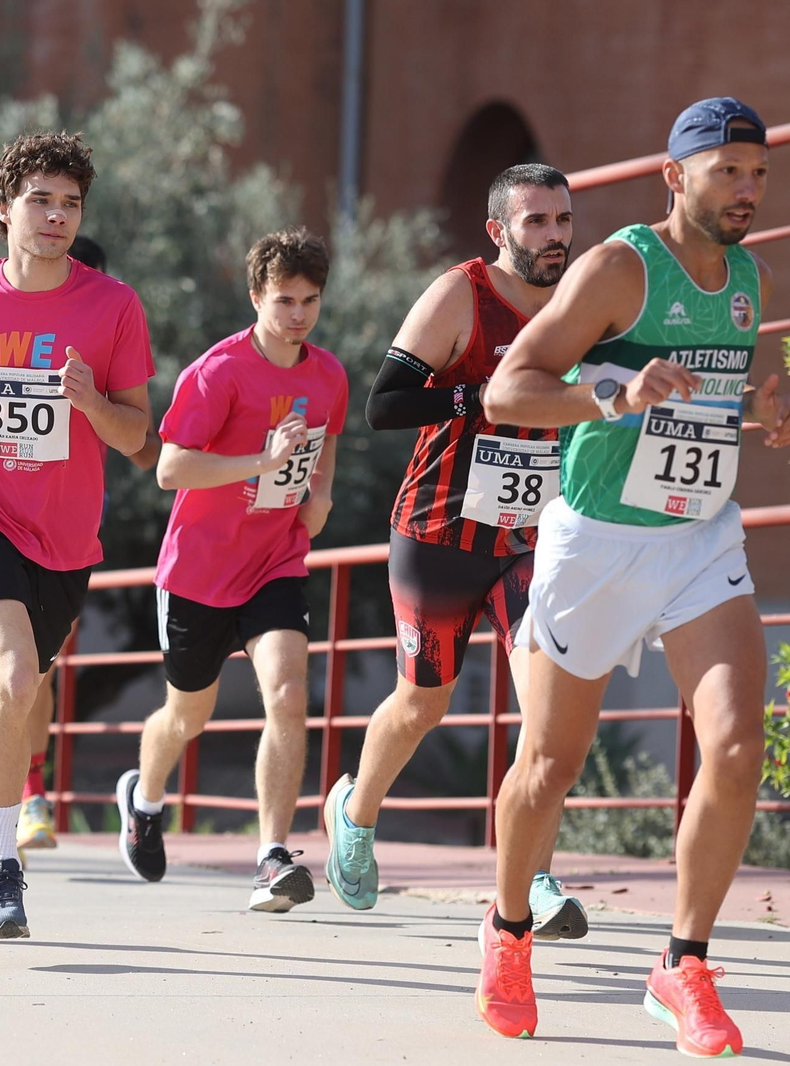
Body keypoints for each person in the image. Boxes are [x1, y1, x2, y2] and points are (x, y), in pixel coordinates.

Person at [477, 98, 782, 1056]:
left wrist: (763, 414)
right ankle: (508, 929)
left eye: (757, 173)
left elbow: (708, 413)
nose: (745, 189)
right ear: (675, 175)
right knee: (549, 769)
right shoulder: (619, 267)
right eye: (725, 170)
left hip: (699, 541)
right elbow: (508, 389)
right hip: (598, 542)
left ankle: (683, 964)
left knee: (736, 749)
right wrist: (613, 389)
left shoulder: (749, 279)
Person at [0, 131, 155, 939]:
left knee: (10, 692)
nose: (56, 216)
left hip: (64, 534)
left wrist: (90, 404)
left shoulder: (111, 306)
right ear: (4, 207)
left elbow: (138, 437)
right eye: (40, 200)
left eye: (70, 203)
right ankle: (3, 867)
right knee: (13, 676)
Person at [323, 165, 587, 939]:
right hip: (439, 536)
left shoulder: (584, 303)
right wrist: (483, 392)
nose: (555, 237)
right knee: (421, 705)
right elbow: (385, 403)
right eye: (536, 222)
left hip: (533, 541)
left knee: (549, 723)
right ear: (498, 231)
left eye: (563, 220)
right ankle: (356, 812)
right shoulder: (461, 295)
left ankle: (531, 877)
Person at [115, 227, 348, 912]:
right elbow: (168, 468)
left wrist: (322, 497)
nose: (297, 315)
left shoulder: (328, 372)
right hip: (198, 573)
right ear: (256, 297)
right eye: (283, 301)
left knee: (287, 694)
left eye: (309, 301)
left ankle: (273, 856)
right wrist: (262, 464)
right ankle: (145, 797)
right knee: (187, 716)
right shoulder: (217, 373)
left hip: (276, 561)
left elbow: (329, 434)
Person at [13, 233, 162, 852]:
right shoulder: (10, 322)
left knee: (37, 669)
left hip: (70, 529)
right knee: (15, 664)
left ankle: (12, 794)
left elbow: (147, 450)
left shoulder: (112, 334)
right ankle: (25, 799)